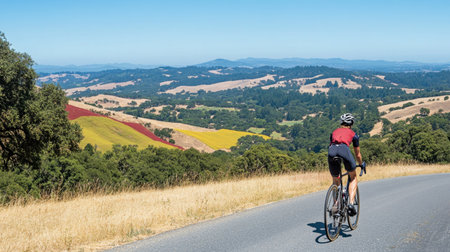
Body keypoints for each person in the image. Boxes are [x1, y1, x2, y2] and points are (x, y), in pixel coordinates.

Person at [328, 113, 364, 216]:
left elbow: (332, 144)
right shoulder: (353, 134)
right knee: (353, 177)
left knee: (336, 180)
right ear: (351, 123)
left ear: (341, 123)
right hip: (344, 150)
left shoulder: (334, 132)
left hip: (332, 151)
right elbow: (357, 154)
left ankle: (335, 206)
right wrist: (361, 164)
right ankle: (351, 204)